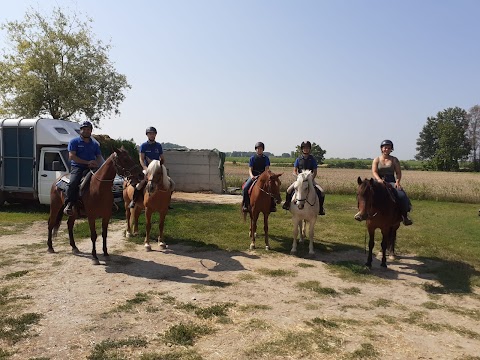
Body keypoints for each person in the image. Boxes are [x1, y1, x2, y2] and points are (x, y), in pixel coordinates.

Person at [63, 120, 102, 216]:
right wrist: (87, 162)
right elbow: (72, 156)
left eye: (88, 129)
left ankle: (107, 202)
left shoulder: (94, 144)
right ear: (80, 130)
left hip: (92, 168)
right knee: (73, 183)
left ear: (91, 131)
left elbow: (99, 157)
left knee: (103, 180)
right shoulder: (74, 142)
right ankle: (70, 203)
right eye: (84, 129)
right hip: (78, 167)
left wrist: (96, 163)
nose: (86, 131)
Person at [372, 139, 412, 226]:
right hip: (378, 181)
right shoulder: (376, 159)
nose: (387, 149)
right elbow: (374, 171)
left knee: (402, 195)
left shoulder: (394, 160)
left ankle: (404, 216)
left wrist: (397, 182)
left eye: (389, 148)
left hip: (391, 181)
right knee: (366, 193)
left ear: (391, 149)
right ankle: (362, 213)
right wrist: (378, 179)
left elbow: (398, 172)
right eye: (385, 147)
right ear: (381, 149)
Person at [282, 141, 325, 215]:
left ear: (309, 149)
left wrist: (311, 179)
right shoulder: (298, 159)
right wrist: (298, 177)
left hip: (310, 180)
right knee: (288, 190)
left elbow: (315, 172)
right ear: (302, 149)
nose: (306, 149)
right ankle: (287, 204)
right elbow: (294, 171)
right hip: (300, 180)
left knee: (322, 191)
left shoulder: (312, 159)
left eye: (307, 148)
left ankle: (320, 208)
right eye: (304, 148)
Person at [128, 126, 167, 208]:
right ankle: (134, 201)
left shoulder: (158, 146)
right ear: (147, 135)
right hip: (147, 168)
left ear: (155, 135)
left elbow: (162, 158)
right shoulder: (144, 146)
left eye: (153, 134)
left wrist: (161, 163)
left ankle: (167, 201)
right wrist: (145, 168)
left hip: (157, 168)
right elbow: (141, 159)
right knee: (140, 184)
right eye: (150, 134)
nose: (152, 135)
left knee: (169, 183)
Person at [242, 142, 276, 212]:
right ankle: (246, 204)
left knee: (271, 188)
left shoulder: (266, 158)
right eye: (258, 149)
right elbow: (250, 169)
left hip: (263, 177)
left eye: (260, 149)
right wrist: (251, 176)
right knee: (245, 188)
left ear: (263, 150)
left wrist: (264, 176)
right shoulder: (252, 158)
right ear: (256, 149)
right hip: (254, 176)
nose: (259, 150)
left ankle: (272, 205)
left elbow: (267, 169)